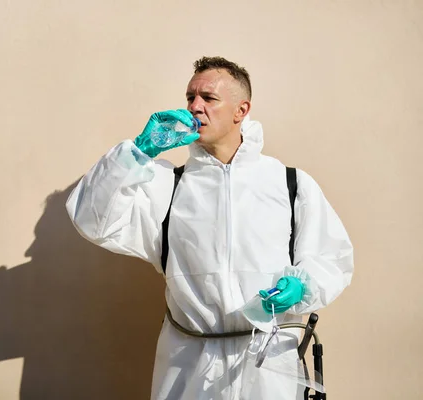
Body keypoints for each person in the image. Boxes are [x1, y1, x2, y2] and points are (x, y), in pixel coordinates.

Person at [65, 56, 354, 400]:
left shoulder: (290, 184)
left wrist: (302, 285)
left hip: (268, 368)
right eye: (190, 97)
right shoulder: (167, 186)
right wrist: (138, 154)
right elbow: (91, 219)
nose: (195, 106)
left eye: (209, 98)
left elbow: (332, 258)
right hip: (189, 370)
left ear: (241, 110)